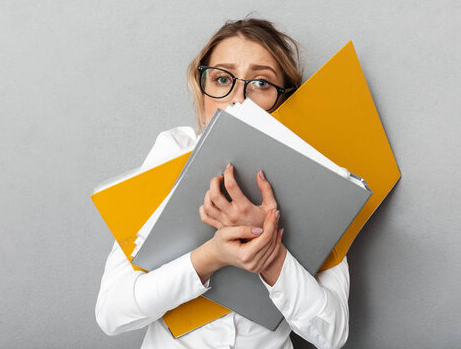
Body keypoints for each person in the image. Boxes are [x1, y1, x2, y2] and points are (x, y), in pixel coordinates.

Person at [95, 18, 350, 349]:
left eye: (260, 83)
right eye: (221, 78)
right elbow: (112, 314)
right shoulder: (169, 157)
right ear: (202, 96)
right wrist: (210, 257)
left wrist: (271, 256)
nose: (238, 98)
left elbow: (332, 335)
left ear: (286, 103)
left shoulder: (322, 181)